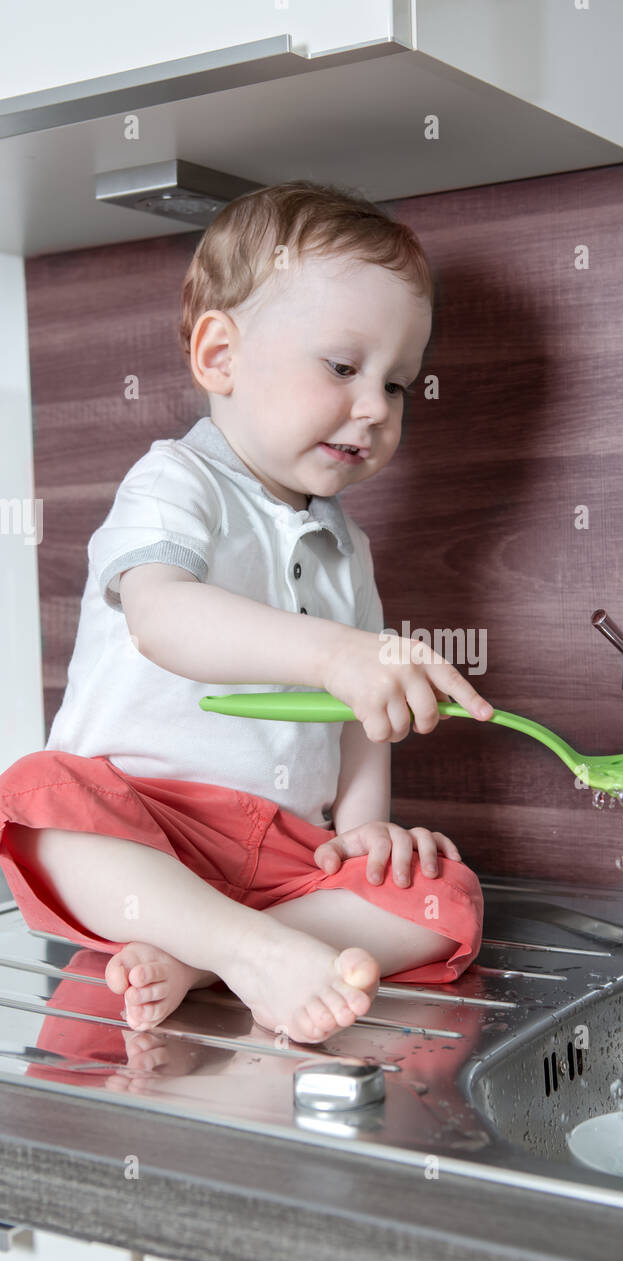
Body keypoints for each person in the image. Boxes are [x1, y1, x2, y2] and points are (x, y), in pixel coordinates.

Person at [0, 180, 494, 1046]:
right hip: (142, 832)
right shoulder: (173, 485)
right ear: (220, 356)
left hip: (279, 857)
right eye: (343, 368)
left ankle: (214, 955)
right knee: (37, 798)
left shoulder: (348, 548)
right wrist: (338, 652)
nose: (377, 408)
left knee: (445, 892)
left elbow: (359, 716)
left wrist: (368, 827)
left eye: (400, 384)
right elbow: (164, 617)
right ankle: (243, 947)